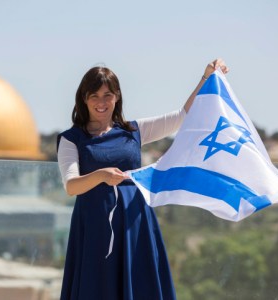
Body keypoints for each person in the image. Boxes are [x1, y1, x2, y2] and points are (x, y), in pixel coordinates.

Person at [57, 59, 229, 300]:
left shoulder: (133, 131)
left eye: (107, 95)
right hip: (95, 228)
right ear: (83, 98)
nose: (101, 102)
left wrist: (206, 77)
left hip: (136, 225)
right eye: (94, 95)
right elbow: (71, 185)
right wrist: (102, 175)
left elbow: (182, 116)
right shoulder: (71, 139)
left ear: (117, 97)